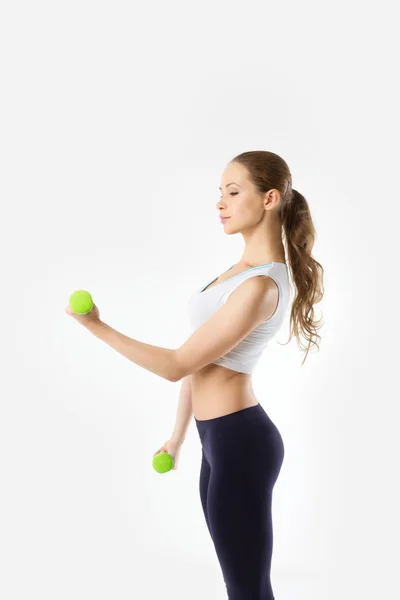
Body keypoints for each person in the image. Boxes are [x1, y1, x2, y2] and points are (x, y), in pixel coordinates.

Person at [155, 150, 325, 599]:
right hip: (219, 441)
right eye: (220, 193)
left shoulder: (261, 284)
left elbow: (175, 365)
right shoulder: (234, 274)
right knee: (238, 582)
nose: (220, 203)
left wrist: (96, 327)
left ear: (270, 199)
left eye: (233, 192)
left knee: (247, 587)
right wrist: (178, 436)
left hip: (241, 444)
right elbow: (198, 362)